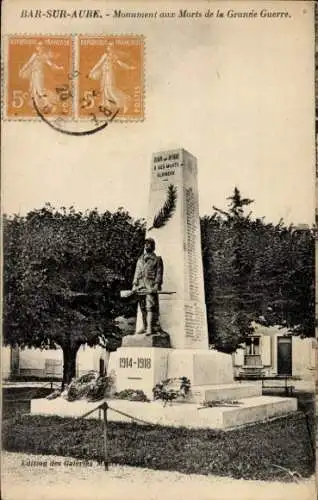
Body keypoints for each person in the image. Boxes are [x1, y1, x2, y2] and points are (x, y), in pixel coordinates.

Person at [132, 238, 163, 336]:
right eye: (145, 244)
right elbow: (137, 272)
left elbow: (159, 273)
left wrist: (157, 285)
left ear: (153, 246)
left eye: (149, 244)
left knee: (150, 307)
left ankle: (150, 328)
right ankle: (145, 327)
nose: (146, 245)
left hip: (150, 286)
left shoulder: (157, 259)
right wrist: (134, 284)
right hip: (140, 286)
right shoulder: (140, 259)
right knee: (142, 308)